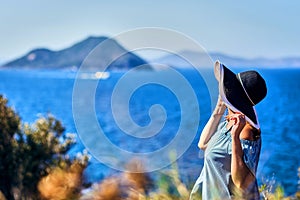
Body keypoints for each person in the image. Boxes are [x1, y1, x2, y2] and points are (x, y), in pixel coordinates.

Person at [190, 61, 267, 200]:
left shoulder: (246, 131)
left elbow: (241, 183)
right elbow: (203, 144)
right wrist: (219, 109)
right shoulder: (229, 121)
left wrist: (235, 137)